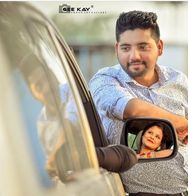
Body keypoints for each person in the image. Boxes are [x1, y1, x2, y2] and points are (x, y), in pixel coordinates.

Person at [89, 10, 188, 195]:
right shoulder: (105, 80)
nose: (134, 56)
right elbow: (133, 109)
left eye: (143, 47)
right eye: (126, 48)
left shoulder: (178, 80)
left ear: (159, 47)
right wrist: (183, 123)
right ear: (117, 48)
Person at [19, 54, 138, 182]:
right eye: (38, 86)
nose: (47, 87)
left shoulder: (74, 91)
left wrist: (57, 157)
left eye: (47, 79)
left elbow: (72, 122)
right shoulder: (42, 124)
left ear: (53, 76)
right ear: (33, 93)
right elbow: (53, 170)